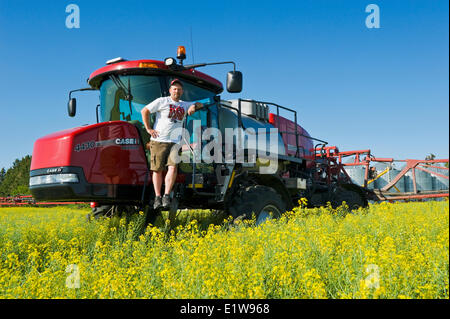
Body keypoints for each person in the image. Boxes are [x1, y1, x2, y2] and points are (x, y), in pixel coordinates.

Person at [141, 79, 203, 209]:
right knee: (157, 170)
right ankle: (158, 197)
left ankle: (166, 195)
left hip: (175, 142)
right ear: (170, 90)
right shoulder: (162, 101)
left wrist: (193, 107)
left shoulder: (184, 104)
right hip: (159, 140)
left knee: (173, 168)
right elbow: (145, 111)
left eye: (179, 89)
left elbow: (200, 104)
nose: (177, 91)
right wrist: (148, 129)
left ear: (182, 92)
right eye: (174, 88)